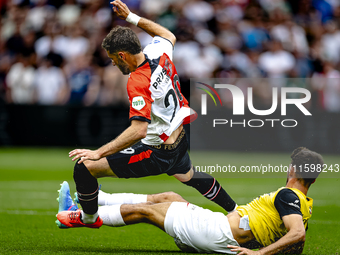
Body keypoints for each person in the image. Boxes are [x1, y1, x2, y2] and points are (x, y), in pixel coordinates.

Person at [66, 0, 237, 227]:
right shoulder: (158, 51)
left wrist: (99, 152)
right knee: (189, 176)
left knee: (84, 167)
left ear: (122, 55)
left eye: (113, 59)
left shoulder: (137, 81)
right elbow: (167, 34)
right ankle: (236, 210)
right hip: (179, 138)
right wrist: (131, 17)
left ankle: (88, 217)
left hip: (156, 152)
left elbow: (139, 129)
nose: (114, 64)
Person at [57, 147, 324, 254]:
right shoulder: (303, 203)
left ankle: (79, 217)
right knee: (168, 197)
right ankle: (96, 198)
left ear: (294, 171)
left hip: (216, 233)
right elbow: (295, 245)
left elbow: (297, 234)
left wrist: (257, 253)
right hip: (218, 231)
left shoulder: (289, 196)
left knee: (143, 211)